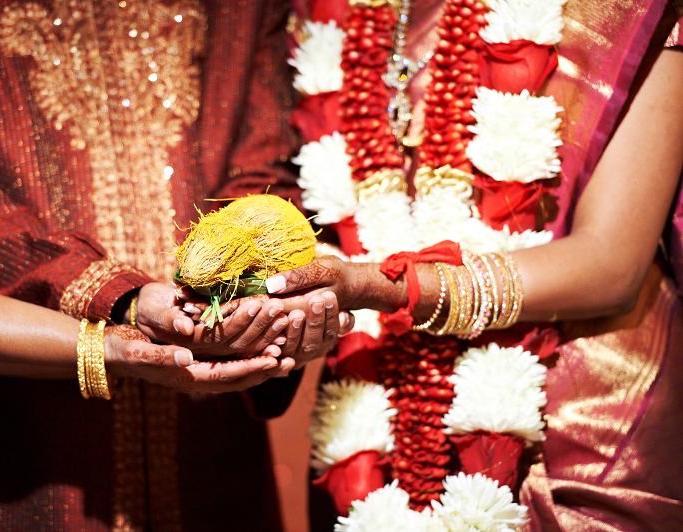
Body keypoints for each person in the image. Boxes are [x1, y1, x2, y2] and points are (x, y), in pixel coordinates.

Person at [0, 0, 343, 530]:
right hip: (18, 427)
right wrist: (117, 299)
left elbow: (264, 168)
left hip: (213, 420)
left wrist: (254, 302)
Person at [262, 0, 683, 530]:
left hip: (575, 442)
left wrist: (388, 286)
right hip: (375, 419)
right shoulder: (335, 16)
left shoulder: (621, 10)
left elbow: (611, 264)